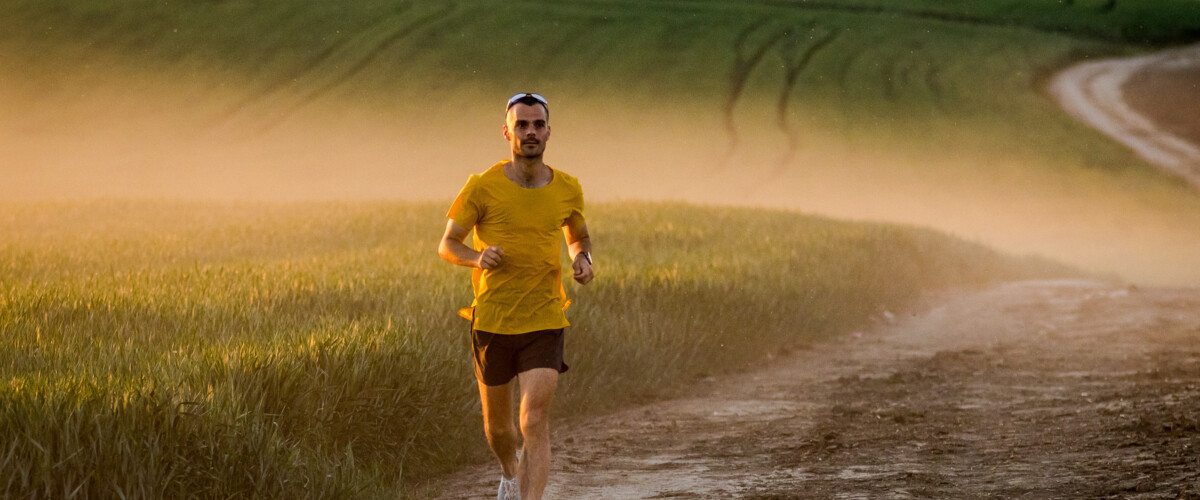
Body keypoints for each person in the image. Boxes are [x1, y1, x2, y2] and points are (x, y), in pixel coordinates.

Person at [438, 92, 593, 500]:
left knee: (533, 420)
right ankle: (509, 471)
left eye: (537, 124)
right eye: (521, 125)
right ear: (507, 132)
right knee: (500, 430)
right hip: (492, 319)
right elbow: (448, 244)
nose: (530, 132)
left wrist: (583, 258)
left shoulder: (567, 188)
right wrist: (477, 257)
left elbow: (577, 234)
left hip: (544, 318)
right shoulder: (481, 187)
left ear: (548, 132)